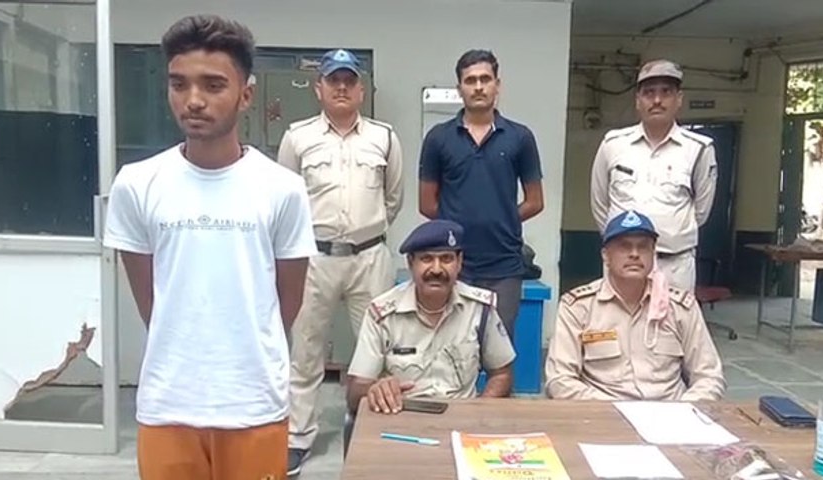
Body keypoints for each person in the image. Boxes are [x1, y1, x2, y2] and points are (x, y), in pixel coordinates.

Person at [102, 15, 317, 480]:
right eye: (179, 84)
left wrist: (244, 348)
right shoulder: (137, 184)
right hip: (168, 404)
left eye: (213, 85)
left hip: (254, 404)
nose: (194, 100)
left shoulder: (282, 189)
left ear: (246, 95)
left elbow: (287, 301)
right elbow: (150, 299)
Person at [276, 48, 403, 475]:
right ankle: (297, 437)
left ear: (361, 90)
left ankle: (377, 430)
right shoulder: (297, 138)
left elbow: (393, 198)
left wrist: (365, 232)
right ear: (320, 89)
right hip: (314, 259)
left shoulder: (384, 138)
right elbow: (287, 201)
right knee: (305, 350)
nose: (342, 88)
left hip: (369, 257)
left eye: (350, 81)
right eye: (334, 81)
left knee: (379, 351)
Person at [344, 219, 516, 447]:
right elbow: (355, 393)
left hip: (462, 427)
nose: (436, 269)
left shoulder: (480, 309)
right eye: (426, 259)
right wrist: (374, 390)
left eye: (446, 259)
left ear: (459, 262)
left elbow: (502, 374)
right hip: (400, 426)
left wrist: (478, 413)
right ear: (411, 263)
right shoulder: (382, 314)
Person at [418, 49, 544, 342]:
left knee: (500, 350)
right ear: (459, 88)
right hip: (453, 264)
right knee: (450, 347)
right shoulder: (438, 138)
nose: (478, 87)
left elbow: (535, 201)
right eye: (470, 80)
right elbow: (427, 204)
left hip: (504, 266)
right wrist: (458, 225)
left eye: (485, 79)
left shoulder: (520, 137)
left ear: (497, 85)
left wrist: (501, 218)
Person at [544, 210, 725, 401]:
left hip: (670, 411)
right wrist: (614, 410)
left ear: (653, 255)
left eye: (643, 247)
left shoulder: (680, 307)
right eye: (624, 247)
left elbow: (709, 377)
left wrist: (683, 409)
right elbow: (560, 380)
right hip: (604, 412)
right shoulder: (578, 307)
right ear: (606, 256)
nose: (634, 254)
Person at [590, 59, 718, 291]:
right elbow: (600, 203)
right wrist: (621, 243)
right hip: (622, 264)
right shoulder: (613, 144)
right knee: (617, 315)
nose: (657, 100)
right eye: (649, 93)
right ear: (638, 101)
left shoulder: (699, 149)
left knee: (675, 316)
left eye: (666, 92)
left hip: (675, 265)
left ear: (679, 99)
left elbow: (701, 212)